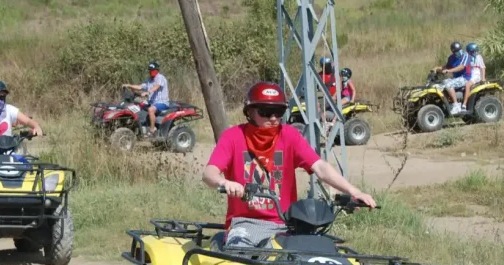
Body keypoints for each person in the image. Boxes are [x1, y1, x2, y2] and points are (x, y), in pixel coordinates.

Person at [202, 81, 376, 249]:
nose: (273, 118)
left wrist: (354, 192)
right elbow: (209, 174)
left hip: (285, 224)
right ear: (250, 112)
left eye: (278, 112)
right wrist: (224, 183)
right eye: (266, 111)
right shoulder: (233, 136)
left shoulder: (289, 136)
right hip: (245, 223)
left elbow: (320, 167)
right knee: (241, 258)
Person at [122, 61, 169, 136]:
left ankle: (152, 129)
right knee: (136, 107)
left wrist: (148, 92)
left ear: (157, 70)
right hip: (151, 102)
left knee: (151, 110)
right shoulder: (149, 80)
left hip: (162, 102)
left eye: (153, 70)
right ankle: (137, 126)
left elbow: (156, 87)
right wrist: (129, 85)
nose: (151, 72)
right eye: (150, 70)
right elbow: (140, 87)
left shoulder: (160, 77)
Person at [434, 41, 469, 114]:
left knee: (449, 85)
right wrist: (437, 68)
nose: (458, 52)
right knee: (443, 83)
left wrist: (449, 71)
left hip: (465, 78)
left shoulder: (465, 55)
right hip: (457, 78)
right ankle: (448, 103)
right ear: (453, 51)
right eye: (456, 51)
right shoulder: (451, 58)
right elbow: (446, 67)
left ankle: (456, 105)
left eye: (459, 50)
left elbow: (461, 67)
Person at [460, 43, 486, 113]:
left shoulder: (479, 57)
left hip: (476, 75)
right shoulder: (467, 57)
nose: (475, 53)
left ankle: (464, 104)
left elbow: (483, 68)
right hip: (469, 74)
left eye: (476, 51)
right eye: (473, 51)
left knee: (467, 85)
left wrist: (483, 78)